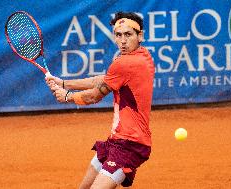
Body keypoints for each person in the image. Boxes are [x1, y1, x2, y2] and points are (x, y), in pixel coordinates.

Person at [45, 11, 155, 189]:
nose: (123, 41)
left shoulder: (125, 63)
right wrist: (64, 83)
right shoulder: (143, 56)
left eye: (128, 34)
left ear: (140, 35)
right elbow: (103, 79)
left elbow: (94, 96)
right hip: (116, 140)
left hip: (130, 145)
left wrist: (67, 97)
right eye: (118, 35)